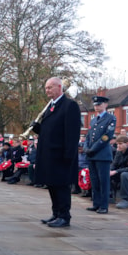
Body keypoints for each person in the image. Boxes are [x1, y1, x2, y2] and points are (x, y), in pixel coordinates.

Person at [31, 77, 81, 228]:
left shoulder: (69, 105)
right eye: (46, 88)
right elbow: (50, 130)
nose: (47, 91)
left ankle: (65, 216)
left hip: (61, 155)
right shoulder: (50, 106)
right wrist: (37, 128)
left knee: (61, 186)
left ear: (59, 87)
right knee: (51, 185)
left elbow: (72, 133)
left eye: (50, 87)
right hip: (49, 155)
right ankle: (56, 213)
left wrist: (69, 155)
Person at [84, 96, 116, 214]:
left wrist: (93, 148)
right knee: (94, 181)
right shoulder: (93, 120)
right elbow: (88, 136)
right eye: (95, 104)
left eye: (99, 104)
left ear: (105, 105)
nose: (97, 106)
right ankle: (96, 203)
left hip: (102, 154)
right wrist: (86, 147)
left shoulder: (111, 118)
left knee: (103, 181)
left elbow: (107, 136)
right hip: (92, 154)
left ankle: (104, 205)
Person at [110, 135, 128, 209]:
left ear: (127, 143)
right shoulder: (120, 151)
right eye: (117, 144)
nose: (118, 146)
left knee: (125, 175)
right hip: (124, 172)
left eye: (120, 144)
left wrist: (116, 171)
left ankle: (125, 200)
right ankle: (108, 196)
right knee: (107, 173)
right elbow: (114, 164)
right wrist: (110, 170)